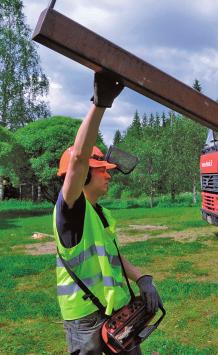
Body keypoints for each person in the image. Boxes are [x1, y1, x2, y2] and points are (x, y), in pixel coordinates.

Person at [54, 71, 162, 354]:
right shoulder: (71, 212)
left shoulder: (99, 213)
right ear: (85, 174)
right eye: (103, 171)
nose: (109, 177)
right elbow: (78, 158)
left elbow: (111, 257)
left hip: (112, 309)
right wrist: (99, 104)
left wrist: (142, 278)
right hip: (85, 320)